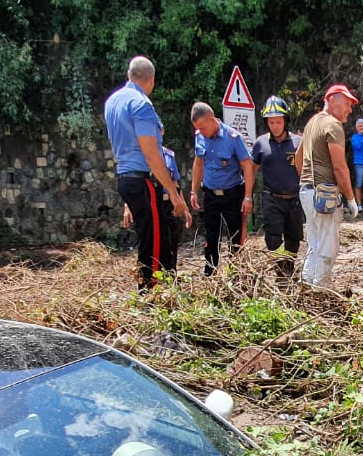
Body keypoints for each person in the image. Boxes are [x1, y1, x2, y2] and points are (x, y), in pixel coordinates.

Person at [104, 55, 189, 290]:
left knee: (148, 235)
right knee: (155, 239)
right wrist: (173, 192)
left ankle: (148, 288)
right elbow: (151, 153)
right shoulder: (141, 104)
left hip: (124, 177)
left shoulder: (113, 101)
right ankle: (149, 293)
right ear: (151, 80)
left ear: (129, 75)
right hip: (140, 180)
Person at [297, 83, 361, 290]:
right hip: (323, 194)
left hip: (306, 191)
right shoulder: (333, 125)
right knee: (328, 247)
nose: (350, 110)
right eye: (347, 104)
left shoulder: (312, 123)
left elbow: (298, 158)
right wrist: (351, 199)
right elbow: (340, 167)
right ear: (332, 100)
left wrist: (306, 181)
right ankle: (321, 290)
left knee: (314, 245)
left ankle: (306, 288)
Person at [189, 101, 256, 274]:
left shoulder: (232, 138)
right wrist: (193, 191)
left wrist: (248, 197)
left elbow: (247, 166)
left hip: (233, 193)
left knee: (235, 236)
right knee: (211, 236)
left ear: (212, 120)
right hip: (210, 193)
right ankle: (210, 272)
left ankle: (237, 273)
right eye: (198, 129)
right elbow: (198, 163)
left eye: (203, 127)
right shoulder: (200, 137)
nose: (201, 132)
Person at [250, 95, 305, 265]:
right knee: (272, 240)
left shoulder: (298, 143)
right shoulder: (260, 144)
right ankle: (280, 266)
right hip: (271, 198)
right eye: (271, 122)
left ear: (285, 121)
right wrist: (247, 196)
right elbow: (251, 170)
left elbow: (305, 171)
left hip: (294, 199)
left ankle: (288, 267)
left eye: (278, 122)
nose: (275, 126)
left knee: (293, 239)